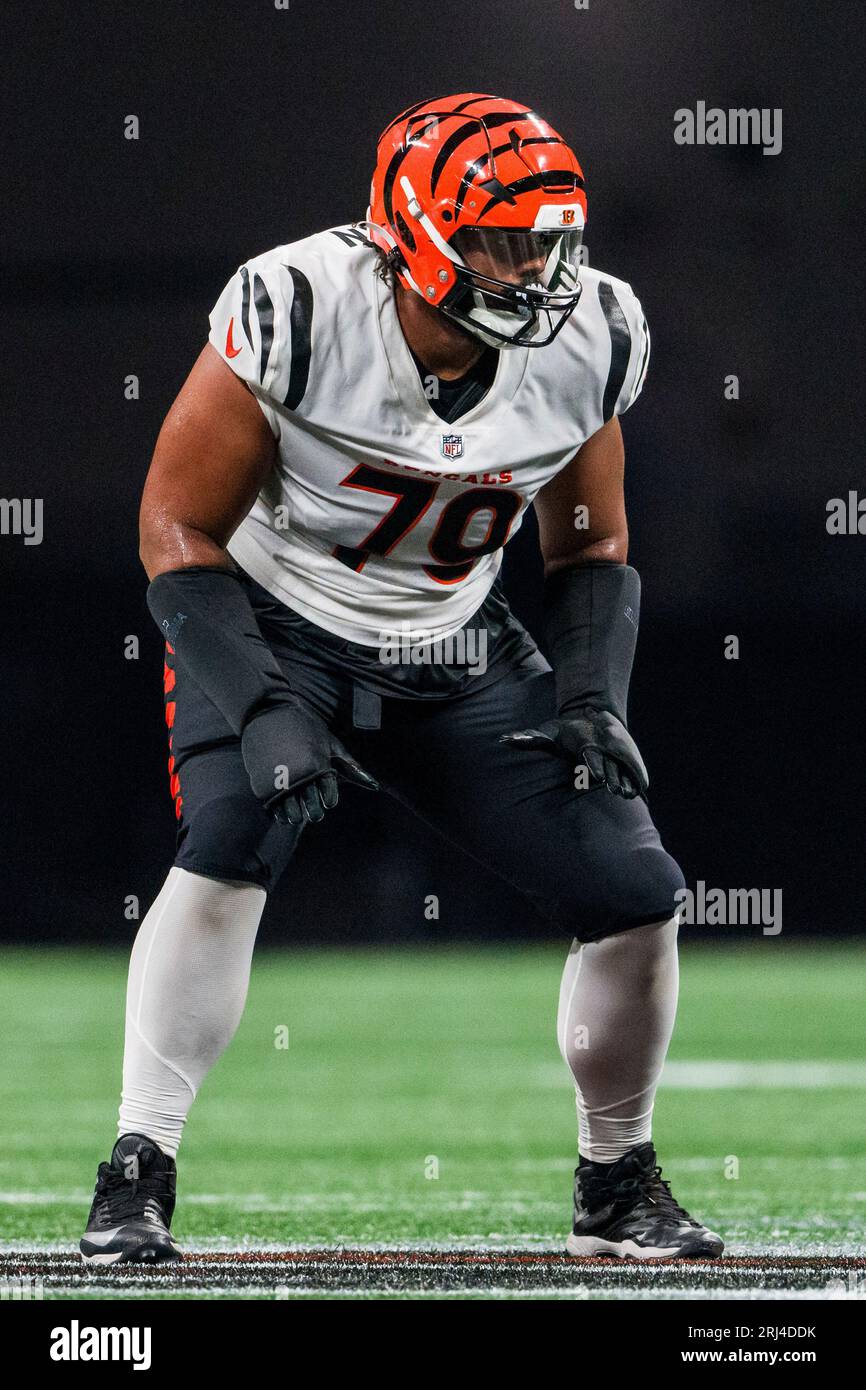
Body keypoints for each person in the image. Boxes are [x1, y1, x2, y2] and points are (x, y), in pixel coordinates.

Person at [80, 92, 723, 1264]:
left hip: (456, 641)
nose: (535, 271)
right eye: (503, 240)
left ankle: (614, 1182)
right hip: (278, 621)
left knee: (635, 888)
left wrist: (588, 695)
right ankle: (136, 1167)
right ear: (413, 234)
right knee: (228, 836)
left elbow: (586, 541)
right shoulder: (297, 307)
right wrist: (264, 701)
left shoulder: (592, 337)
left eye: (550, 241)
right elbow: (174, 523)